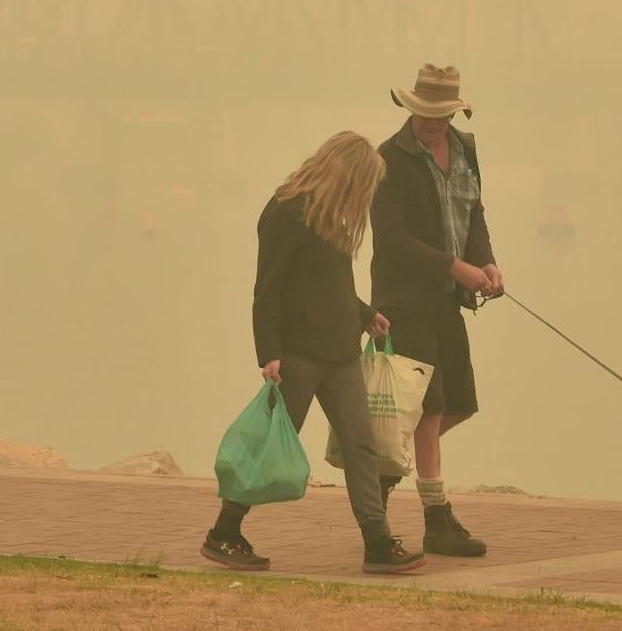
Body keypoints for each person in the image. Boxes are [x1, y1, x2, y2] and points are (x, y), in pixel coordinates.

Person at [205, 131, 430, 575]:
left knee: (361, 445)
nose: (363, 197)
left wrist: (365, 313)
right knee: (270, 447)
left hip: (341, 352)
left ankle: (377, 541)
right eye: (362, 184)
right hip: (298, 354)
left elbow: (330, 282)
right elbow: (267, 288)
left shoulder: (332, 216)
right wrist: (268, 352)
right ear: (345, 174)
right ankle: (224, 532)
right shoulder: (286, 212)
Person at [372, 64, 500, 558]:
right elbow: (391, 239)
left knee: (458, 403)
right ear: (410, 109)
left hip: (449, 298)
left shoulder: (466, 149)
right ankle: (436, 517)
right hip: (403, 301)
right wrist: (454, 265)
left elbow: (475, 213)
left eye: (441, 114)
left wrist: (485, 262)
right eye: (424, 113)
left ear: (453, 111)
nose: (432, 122)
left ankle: (380, 469)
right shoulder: (389, 159)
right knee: (428, 410)